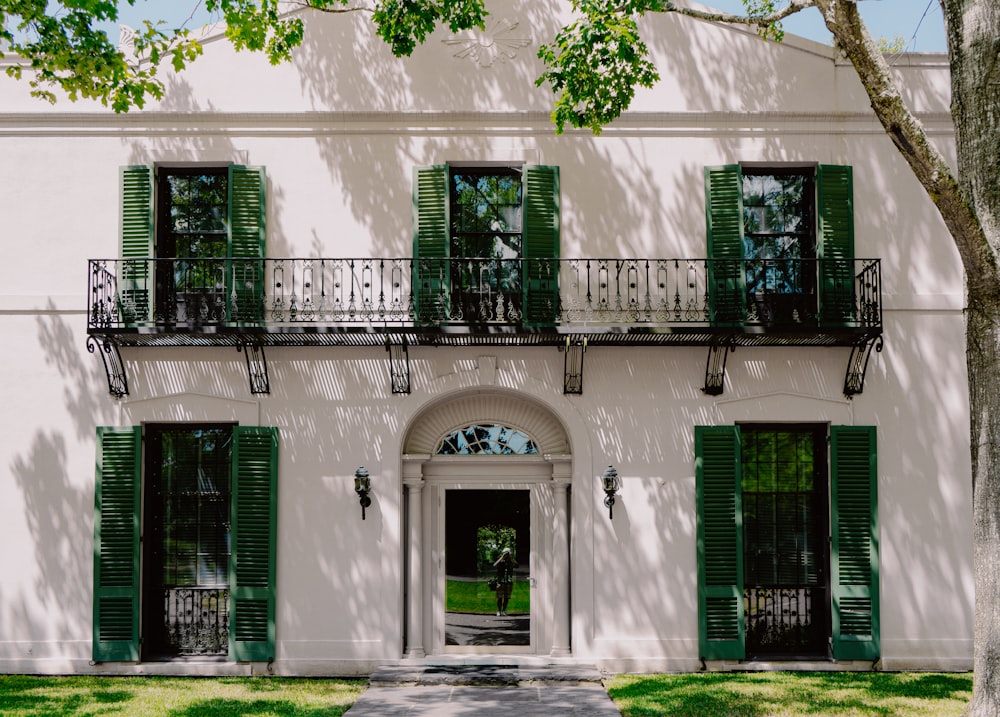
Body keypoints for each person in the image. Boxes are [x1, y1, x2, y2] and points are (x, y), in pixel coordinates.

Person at [493, 547, 517, 616]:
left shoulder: (511, 560)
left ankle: (503, 610)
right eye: (505, 553)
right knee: (499, 597)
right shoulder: (500, 559)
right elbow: (494, 565)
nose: (506, 555)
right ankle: (499, 611)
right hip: (500, 581)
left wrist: (511, 558)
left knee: (507, 597)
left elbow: (517, 565)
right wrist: (502, 557)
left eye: (507, 553)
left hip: (508, 581)